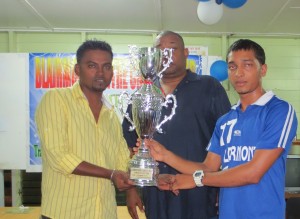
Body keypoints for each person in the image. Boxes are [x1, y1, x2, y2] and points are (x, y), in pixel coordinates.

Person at [145, 39, 298, 219]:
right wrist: (164, 155)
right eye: (232, 67)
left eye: (247, 65)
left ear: (262, 70)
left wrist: (196, 179)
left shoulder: (278, 110)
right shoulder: (225, 121)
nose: (239, 73)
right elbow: (208, 167)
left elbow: (254, 172)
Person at [122, 31, 231, 219]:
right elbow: (131, 147)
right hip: (156, 194)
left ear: (186, 52)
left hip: (199, 191)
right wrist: (131, 189)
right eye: (160, 51)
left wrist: (224, 187)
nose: (166, 56)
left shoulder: (209, 87)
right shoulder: (142, 95)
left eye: (172, 49)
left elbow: (228, 143)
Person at [35, 40, 133, 219]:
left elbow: (121, 161)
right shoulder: (56, 99)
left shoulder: (111, 115)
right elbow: (59, 156)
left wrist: (146, 171)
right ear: (77, 70)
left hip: (104, 214)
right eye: (92, 66)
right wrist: (110, 174)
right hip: (64, 214)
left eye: (106, 67)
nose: (100, 73)